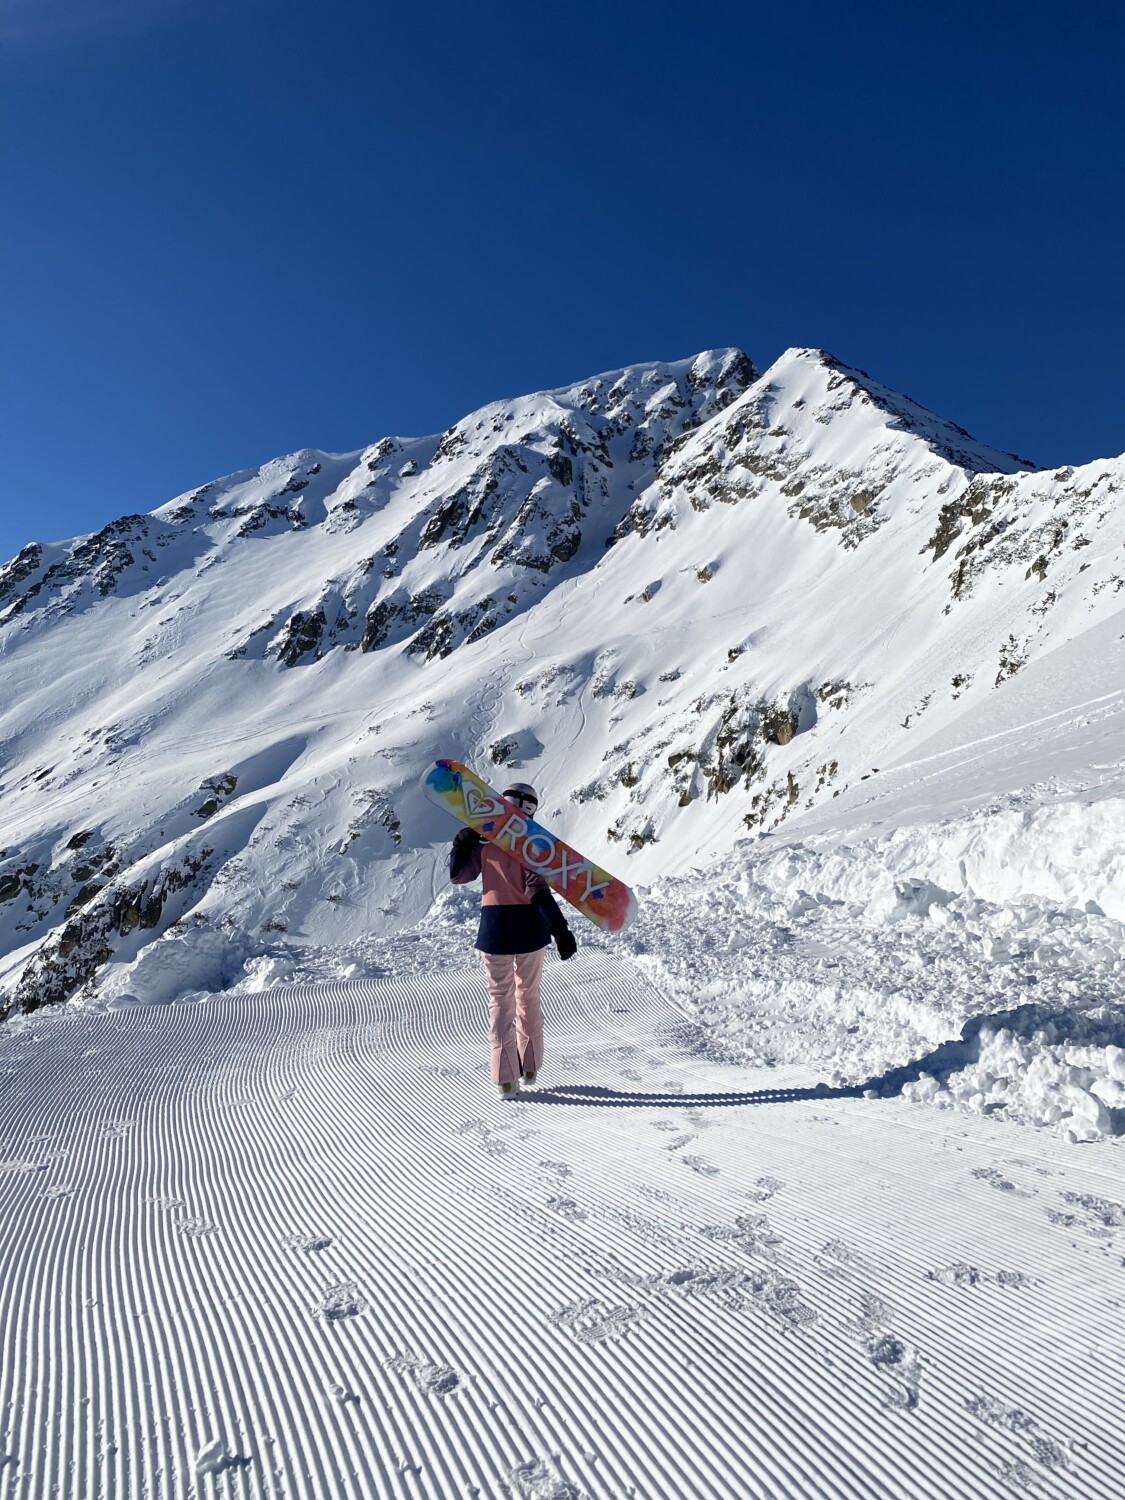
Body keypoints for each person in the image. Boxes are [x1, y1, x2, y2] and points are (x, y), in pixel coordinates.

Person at [449, 781, 577, 1097]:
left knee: (500, 1002)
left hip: (495, 930)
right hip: (531, 930)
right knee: (528, 997)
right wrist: (559, 929)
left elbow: (458, 875)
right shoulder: (533, 844)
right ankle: (530, 1067)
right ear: (531, 811)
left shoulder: (486, 842)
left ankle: (506, 1078)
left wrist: (463, 841)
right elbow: (537, 891)